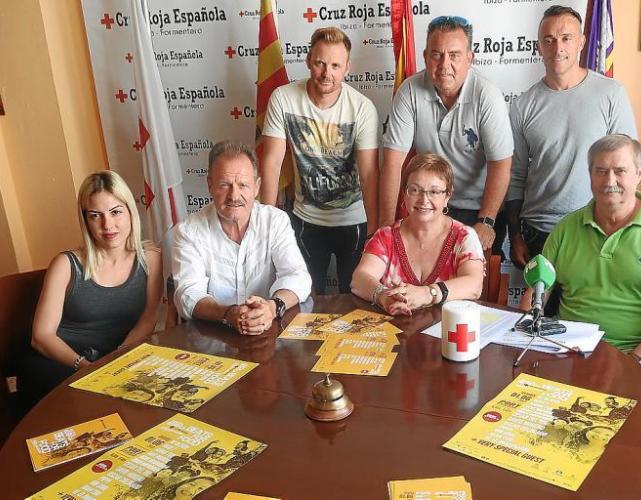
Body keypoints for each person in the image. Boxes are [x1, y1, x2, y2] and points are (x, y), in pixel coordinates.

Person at [542, 134, 641, 376]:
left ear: (639, 173)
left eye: (620, 171)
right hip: (565, 353)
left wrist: (637, 359)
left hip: (635, 359)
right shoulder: (566, 227)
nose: (609, 180)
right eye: (601, 171)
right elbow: (537, 291)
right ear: (590, 174)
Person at [506, 5, 637, 270]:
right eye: (549, 40)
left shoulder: (611, 94)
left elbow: (628, 166)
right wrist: (515, 236)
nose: (558, 48)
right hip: (539, 233)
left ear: (581, 43)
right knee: (538, 299)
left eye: (566, 38)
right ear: (538, 47)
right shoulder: (522, 106)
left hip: (597, 230)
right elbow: (516, 176)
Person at [21, 171, 162, 409]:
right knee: (95, 406)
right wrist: (87, 367)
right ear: (86, 220)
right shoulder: (65, 264)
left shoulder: (151, 258)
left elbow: (148, 318)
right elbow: (41, 337)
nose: (108, 225)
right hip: (62, 362)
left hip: (116, 357)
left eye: (115, 212)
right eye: (96, 216)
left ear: (130, 211)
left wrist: (119, 360)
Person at [259, 27, 379, 294]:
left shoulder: (362, 108)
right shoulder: (283, 98)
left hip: (353, 221)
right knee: (303, 299)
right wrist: (266, 223)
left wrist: (374, 230)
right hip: (306, 220)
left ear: (347, 68)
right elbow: (271, 163)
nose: (327, 73)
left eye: (336, 66)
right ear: (308, 61)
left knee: (356, 300)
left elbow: (369, 173)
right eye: (320, 63)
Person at [379, 15, 513, 251]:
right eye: (436, 55)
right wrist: (386, 227)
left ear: (470, 58)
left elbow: (501, 164)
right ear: (425, 57)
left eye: (454, 55)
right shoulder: (409, 91)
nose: (444, 65)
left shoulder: (487, 96)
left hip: (478, 208)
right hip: (429, 205)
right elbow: (393, 162)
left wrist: (486, 220)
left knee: (474, 273)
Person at [172, 140, 311, 334]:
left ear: (257, 187)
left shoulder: (275, 221)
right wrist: (229, 313)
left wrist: (272, 307)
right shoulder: (188, 231)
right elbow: (188, 295)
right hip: (213, 337)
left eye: (243, 185)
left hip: (267, 332)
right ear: (210, 185)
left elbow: (297, 275)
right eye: (224, 185)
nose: (234, 195)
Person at [351, 153, 484, 316]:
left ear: (447, 196)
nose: (423, 200)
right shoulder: (386, 236)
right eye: (414, 190)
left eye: (434, 192)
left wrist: (429, 293)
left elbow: (474, 285)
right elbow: (359, 279)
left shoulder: (464, 236)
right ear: (404, 193)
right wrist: (383, 296)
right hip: (397, 329)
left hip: (447, 328)